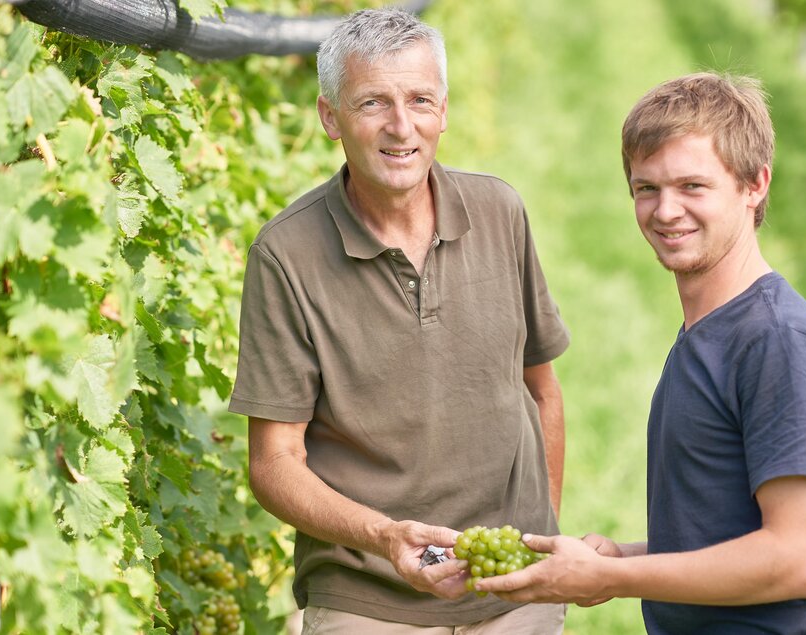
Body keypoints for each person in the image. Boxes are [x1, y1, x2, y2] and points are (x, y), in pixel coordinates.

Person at [475, 72, 806, 633]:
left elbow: (797, 560)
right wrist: (622, 558)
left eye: (692, 187)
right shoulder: (710, 331)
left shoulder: (778, 343)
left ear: (754, 185)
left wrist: (612, 580)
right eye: (646, 188)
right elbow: (727, 537)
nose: (665, 211)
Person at [227, 8, 571, 634]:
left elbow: (541, 388)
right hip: (366, 596)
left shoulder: (500, 212)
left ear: (444, 110)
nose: (401, 126)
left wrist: (540, 540)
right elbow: (274, 462)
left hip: (513, 590)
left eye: (420, 100)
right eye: (372, 103)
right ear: (330, 117)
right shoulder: (286, 256)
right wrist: (384, 537)